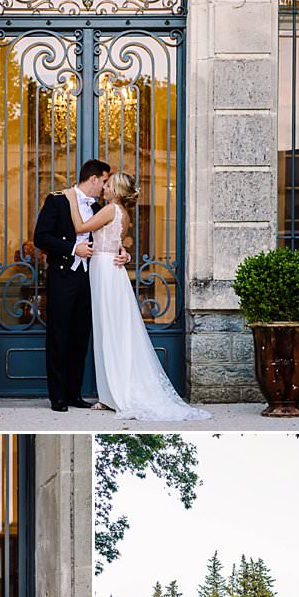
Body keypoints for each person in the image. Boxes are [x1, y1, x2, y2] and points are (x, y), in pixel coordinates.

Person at [64, 171, 210, 422]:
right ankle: (109, 394)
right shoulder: (124, 214)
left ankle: (116, 394)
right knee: (110, 330)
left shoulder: (111, 210)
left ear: (117, 191)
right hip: (109, 269)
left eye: (108, 185)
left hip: (105, 271)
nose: (104, 188)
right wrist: (126, 255)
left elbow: (80, 227)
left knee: (109, 330)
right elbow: (118, 245)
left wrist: (70, 199)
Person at [32, 158, 128, 412]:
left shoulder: (99, 207)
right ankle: (58, 397)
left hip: (90, 278)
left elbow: (111, 237)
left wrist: (123, 251)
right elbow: (40, 237)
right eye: (105, 181)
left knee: (79, 337)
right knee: (59, 336)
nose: (105, 187)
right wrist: (74, 248)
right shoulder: (57, 200)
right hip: (63, 275)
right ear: (94, 179)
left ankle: (74, 394)